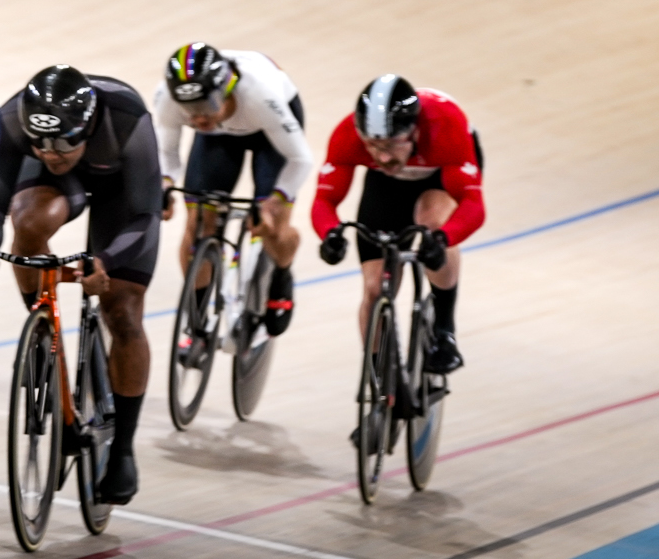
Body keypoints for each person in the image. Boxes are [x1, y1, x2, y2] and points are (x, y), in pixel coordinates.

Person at [0, 65, 161, 505]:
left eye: (63, 142)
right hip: (57, 189)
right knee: (29, 220)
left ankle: (123, 448)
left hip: (122, 192)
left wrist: (106, 261)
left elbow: (144, 216)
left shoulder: (127, 120)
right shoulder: (16, 120)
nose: (51, 151)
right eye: (40, 141)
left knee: (123, 313)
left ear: (87, 125)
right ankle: (44, 325)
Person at [312, 74, 483, 376]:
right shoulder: (348, 135)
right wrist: (329, 235)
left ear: (413, 131)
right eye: (373, 146)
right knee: (375, 287)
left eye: (391, 144)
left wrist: (443, 239)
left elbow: (472, 205)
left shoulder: (445, 127)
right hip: (387, 185)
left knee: (431, 225)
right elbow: (325, 201)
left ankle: (445, 331)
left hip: (439, 174)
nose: (383, 155)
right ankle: (378, 387)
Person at [155, 42, 312, 335]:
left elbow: (300, 159)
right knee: (199, 224)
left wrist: (275, 200)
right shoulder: (169, 97)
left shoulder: (260, 95)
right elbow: (167, 151)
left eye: (206, 106)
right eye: (189, 110)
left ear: (227, 89)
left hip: (270, 133)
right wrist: (165, 184)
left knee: (272, 226)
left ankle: (281, 275)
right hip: (219, 135)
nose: (198, 118)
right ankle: (197, 318)